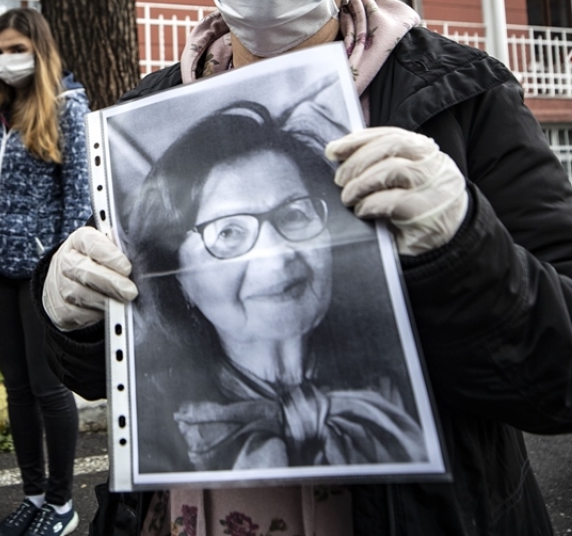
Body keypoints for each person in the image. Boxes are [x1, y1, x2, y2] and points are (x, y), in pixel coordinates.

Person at [33, 0, 572, 535]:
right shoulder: (144, 118)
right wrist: (73, 315)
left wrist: (463, 245)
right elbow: (119, 366)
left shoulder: (460, 98)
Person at [127, 101, 424, 475]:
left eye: (295, 214)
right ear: (178, 277)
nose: (277, 257)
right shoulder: (145, 417)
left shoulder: (410, 364)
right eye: (228, 232)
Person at [0, 7, 90, 536]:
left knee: (47, 388)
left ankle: (61, 505)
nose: (6, 60)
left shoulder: (68, 108)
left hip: (40, 274)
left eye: (17, 50)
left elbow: (78, 199)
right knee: (16, 389)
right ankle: (32, 498)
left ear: (40, 51)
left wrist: (62, 272)